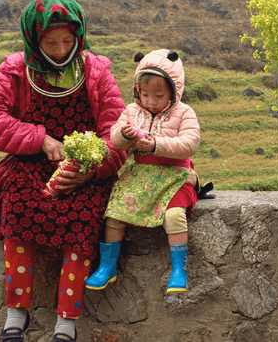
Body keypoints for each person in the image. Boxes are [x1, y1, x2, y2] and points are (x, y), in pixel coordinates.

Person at [0, 0, 128, 342]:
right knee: (17, 210)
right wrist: (39, 139)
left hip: (84, 172)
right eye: (50, 42)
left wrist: (89, 170)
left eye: (67, 41)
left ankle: (66, 321)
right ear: (33, 38)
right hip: (30, 166)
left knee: (85, 218)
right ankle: (16, 313)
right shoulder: (15, 70)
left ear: (79, 37)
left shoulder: (97, 73)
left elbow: (116, 135)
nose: (58, 50)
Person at [85, 49, 200, 295]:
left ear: (174, 90)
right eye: (145, 94)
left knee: (174, 216)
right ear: (137, 90)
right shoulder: (131, 111)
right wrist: (124, 136)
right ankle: (108, 265)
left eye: (158, 95)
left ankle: (179, 269)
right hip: (142, 174)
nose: (150, 101)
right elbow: (115, 137)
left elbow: (190, 143)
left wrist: (157, 145)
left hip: (175, 176)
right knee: (115, 213)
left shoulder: (184, 113)